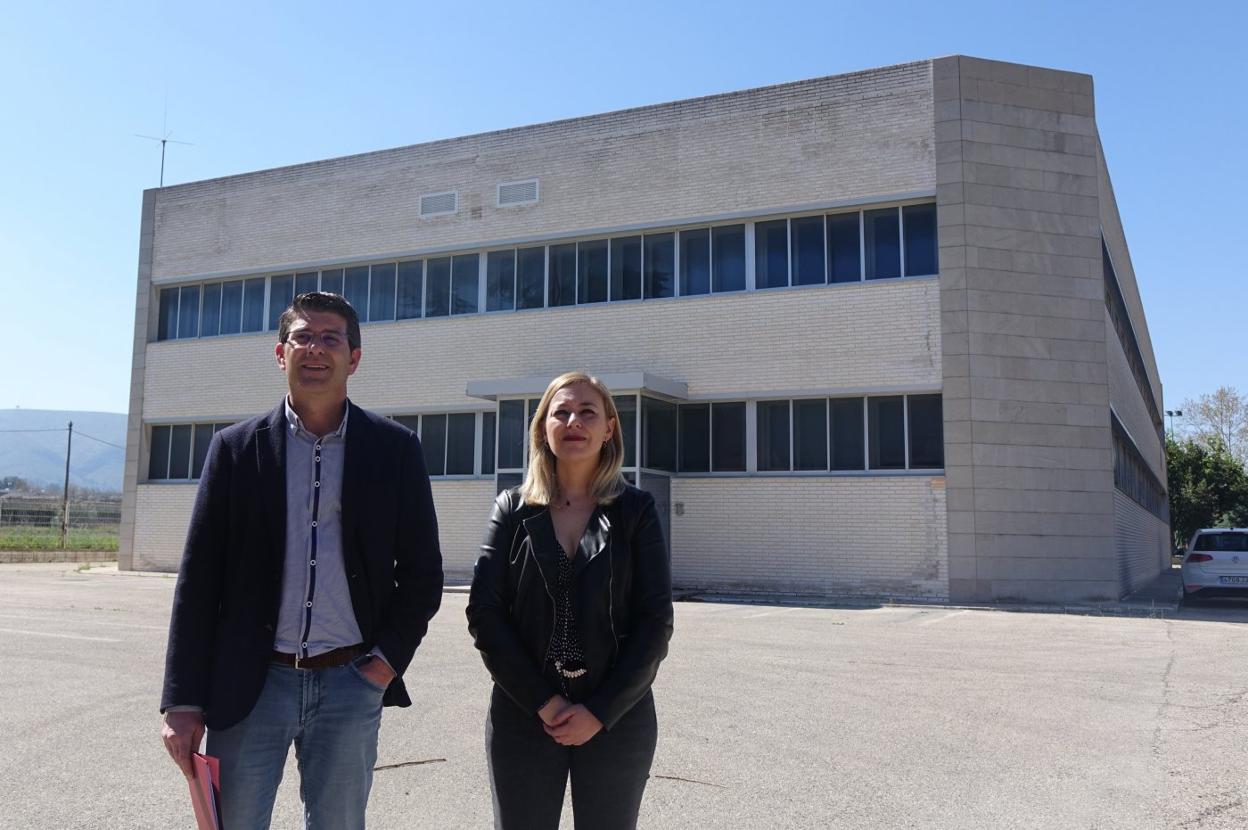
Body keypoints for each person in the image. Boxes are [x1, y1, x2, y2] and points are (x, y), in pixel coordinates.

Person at [159, 291, 443, 829]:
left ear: (353, 358)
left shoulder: (395, 449)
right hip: (249, 685)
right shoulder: (235, 450)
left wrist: (383, 665)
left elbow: (424, 575)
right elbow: (199, 583)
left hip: (350, 683)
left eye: (330, 338)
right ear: (280, 353)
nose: (315, 349)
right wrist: (181, 699)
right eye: (302, 337)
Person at [467, 372, 674, 830]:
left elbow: (655, 621)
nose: (574, 421)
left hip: (617, 718)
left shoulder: (636, 512)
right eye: (560, 412)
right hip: (525, 716)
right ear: (543, 427)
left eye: (587, 412)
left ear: (609, 428)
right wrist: (546, 703)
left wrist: (599, 712)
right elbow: (485, 613)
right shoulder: (511, 508)